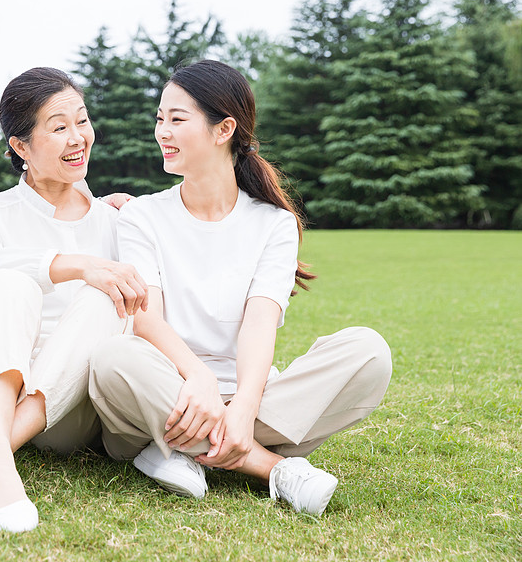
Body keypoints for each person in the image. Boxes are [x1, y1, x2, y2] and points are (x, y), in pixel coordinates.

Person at [88, 60, 392, 516]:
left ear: (224, 129)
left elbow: (259, 324)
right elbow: (146, 320)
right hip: (163, 390)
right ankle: (269, 466)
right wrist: (200, 379)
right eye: (159, 119)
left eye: (177, 119)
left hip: (253, 401)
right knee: (113, 358)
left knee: (369, 352)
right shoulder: (141, 216)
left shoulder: (274, 224)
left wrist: (244, 407)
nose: (162, 132)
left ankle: (182, 449)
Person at [0, 67, 147, 532]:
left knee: (108, 298)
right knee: (8, 281)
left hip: (68, 416)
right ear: (20, 147)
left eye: (82, 121)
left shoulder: (116, 220)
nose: (77, 137)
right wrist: (78, 265)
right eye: (59, 127)